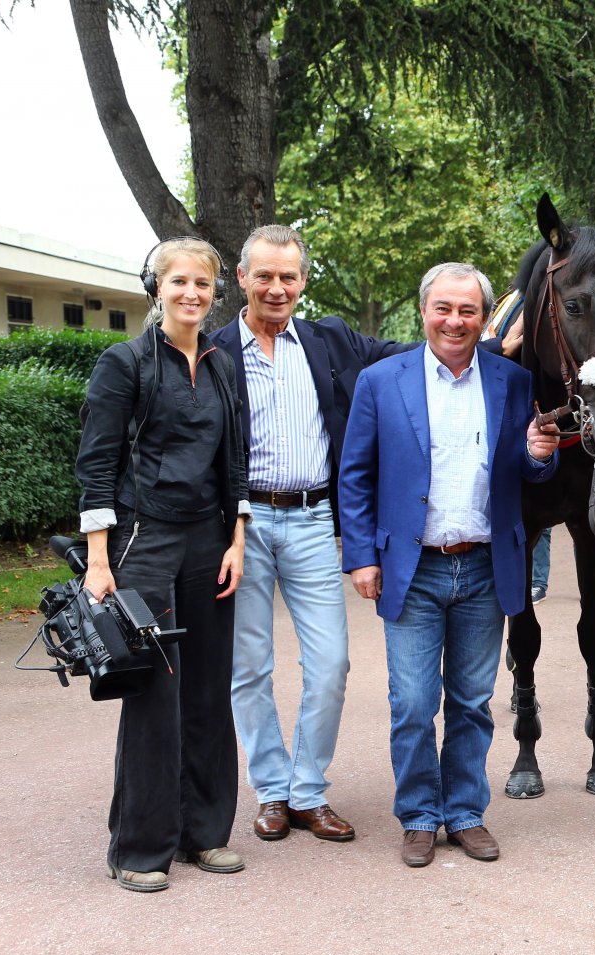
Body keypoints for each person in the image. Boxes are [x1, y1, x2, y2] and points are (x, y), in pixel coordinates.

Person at [338, 262, 559, 869]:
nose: (454, 321)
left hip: (486, 565)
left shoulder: (514, 381)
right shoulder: (381, 381)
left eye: (467, 310)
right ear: (424, 312)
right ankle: (418, 814)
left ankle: (463, 812)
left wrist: (539, 455)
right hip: (411, 567)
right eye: (443, 308)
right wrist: (361, 557)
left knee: (470, 702)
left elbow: (530, 471)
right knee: (412, 704)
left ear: (485, 318)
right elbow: (354, 476)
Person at [212, 224, 411, 844]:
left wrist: (491, 338)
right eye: (264, 276)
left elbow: (415, 350)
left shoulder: (331, 341)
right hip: (242, 526)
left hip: (313, 521)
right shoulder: (214, 353)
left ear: (302, 280)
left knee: (330, 663)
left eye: (288, 276)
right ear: (242, 278)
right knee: (249, 666)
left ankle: (307, 790)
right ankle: (273, 791)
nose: (277, 288)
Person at [77, 237, 251, 892]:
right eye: (178, 281)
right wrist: (99, 562)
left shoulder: (222, 365)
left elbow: (236, 458)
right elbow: (96, 463)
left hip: (209, 542)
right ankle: (140, 847)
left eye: (202, 284)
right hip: (143, 541)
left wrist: (236, 539)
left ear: (215, 293)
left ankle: (204, 833)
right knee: (154, 691)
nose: (191, 293)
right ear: (156, 287)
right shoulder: (123, 363)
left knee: (208, 687)